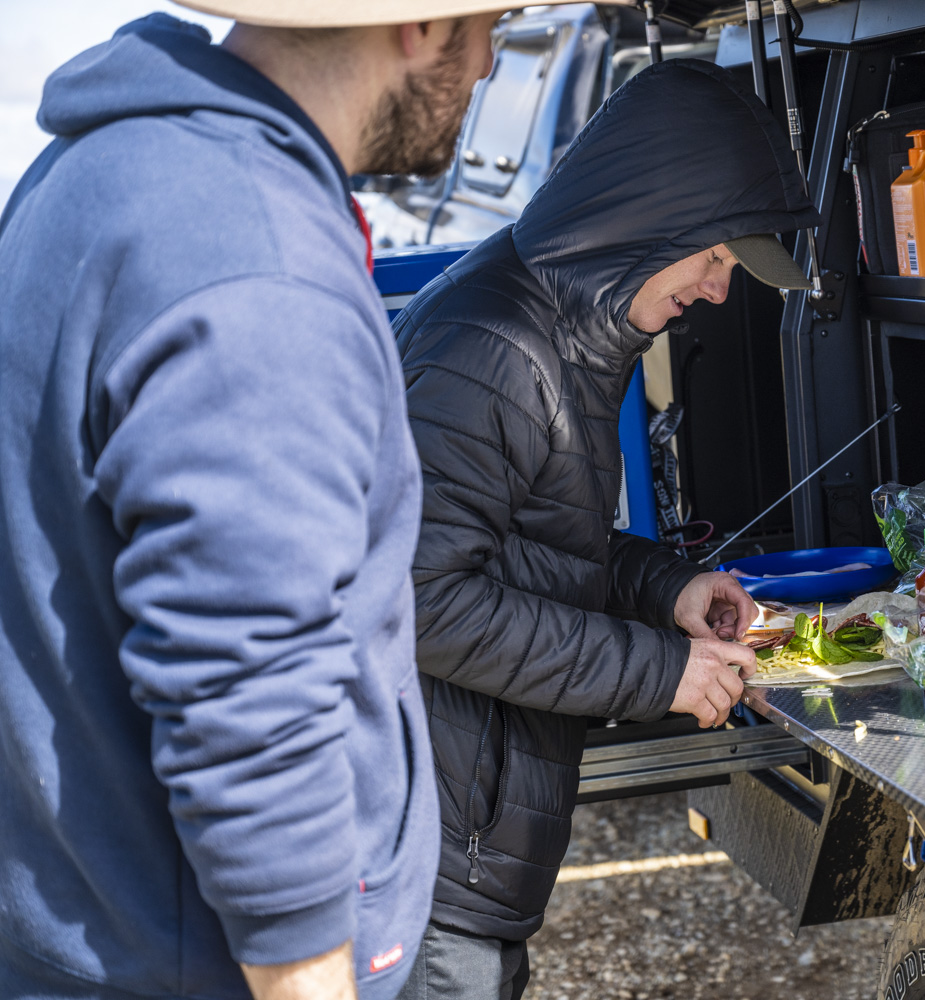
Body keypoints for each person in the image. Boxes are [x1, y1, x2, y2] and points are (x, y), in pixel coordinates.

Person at [0, 3, 553, 998]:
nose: (484, 71)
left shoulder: (104, 165)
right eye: (491, 29)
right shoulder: (259, 266)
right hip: (192, 968)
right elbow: (248, 694)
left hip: (80, 923)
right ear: (419, 28)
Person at [391, 59, 820, 1000]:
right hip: (430, 864)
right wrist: (659, 671)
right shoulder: (497, 347)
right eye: (712, 258)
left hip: (467, 845)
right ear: (647, 224)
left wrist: (669, 588)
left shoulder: (564, 329)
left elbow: (533, 545)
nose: (718, 291)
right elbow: (419, 598)